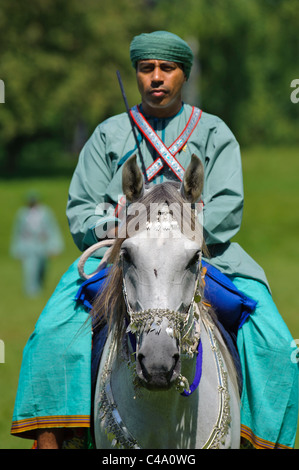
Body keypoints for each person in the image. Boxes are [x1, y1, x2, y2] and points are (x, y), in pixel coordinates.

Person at [11, 31, 298, 449]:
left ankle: (261, 438)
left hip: (206, 257)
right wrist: (117, 230)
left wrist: (182, 230)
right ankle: (58, 437)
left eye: (167, 69)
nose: (157, 78)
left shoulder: (215, 133)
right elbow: (80, 208)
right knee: (50, 333)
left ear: (184, 74)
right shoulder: (108, 135)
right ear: (138, 74)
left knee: (274, 342)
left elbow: (228, 206)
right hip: (121, 258)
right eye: (147, 69)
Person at [10, 191, 64, 297]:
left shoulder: (45, 212)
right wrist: (16, 248)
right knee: (29, 267)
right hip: (28, 244)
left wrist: (55, 245)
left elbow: (52, 229)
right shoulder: (22, 213)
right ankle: (31, 291)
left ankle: (39, 285)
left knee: (42, 267)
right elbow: (18, 232)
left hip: (42, 243)